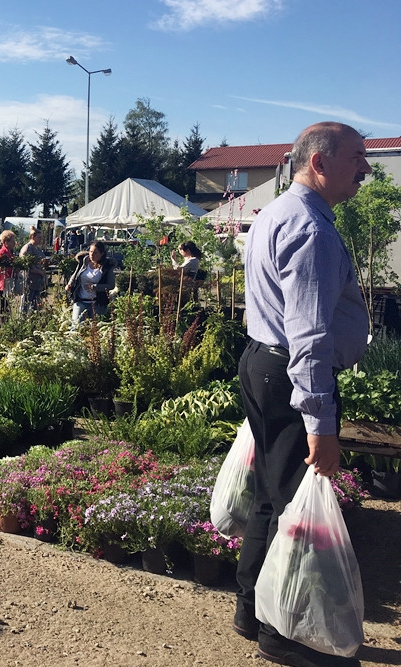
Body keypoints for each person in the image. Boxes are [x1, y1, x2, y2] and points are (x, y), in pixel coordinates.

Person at [235, 122, 370, 667]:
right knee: (294, 504)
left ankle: (251, 609)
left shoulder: (274, 213)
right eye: (356, 157)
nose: (365, 169)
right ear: (319, 162)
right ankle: (283, 634)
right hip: (292, 373)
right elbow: (309, 335)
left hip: (262, 363)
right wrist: (320, 422)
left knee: (272, 495)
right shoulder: (310, 228)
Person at [66, 241, 115, 325]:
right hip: (80, 300)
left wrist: (95, 287)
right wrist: (69, 284)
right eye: (91, 252)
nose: (92, 255)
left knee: (96, 327)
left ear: (102, 254)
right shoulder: (83, 261)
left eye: (95, 253)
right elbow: (75, 274)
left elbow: (111, 285)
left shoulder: (107, 267)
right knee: (76, 325)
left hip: (98, 302)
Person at [19, 227, 46, 314]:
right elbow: (25, 265)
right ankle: (22, 319)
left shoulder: (38, 249)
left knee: (35, 304)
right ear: (32, 237)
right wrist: (38, 271)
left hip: (38, 282)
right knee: (26, 302)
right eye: (39, 237)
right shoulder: (27, 248)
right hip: (29, 281)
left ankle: (33, 319)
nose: (40, 240)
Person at [0, 230, 16, 320]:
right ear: (6, 242)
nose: (14, 243)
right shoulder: (2, 253)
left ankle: (5, 320)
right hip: (2, 281)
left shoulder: (9, 252)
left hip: (6, 281)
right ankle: (1, 321)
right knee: (3, 303)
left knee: (6, 303)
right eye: (12, 241)